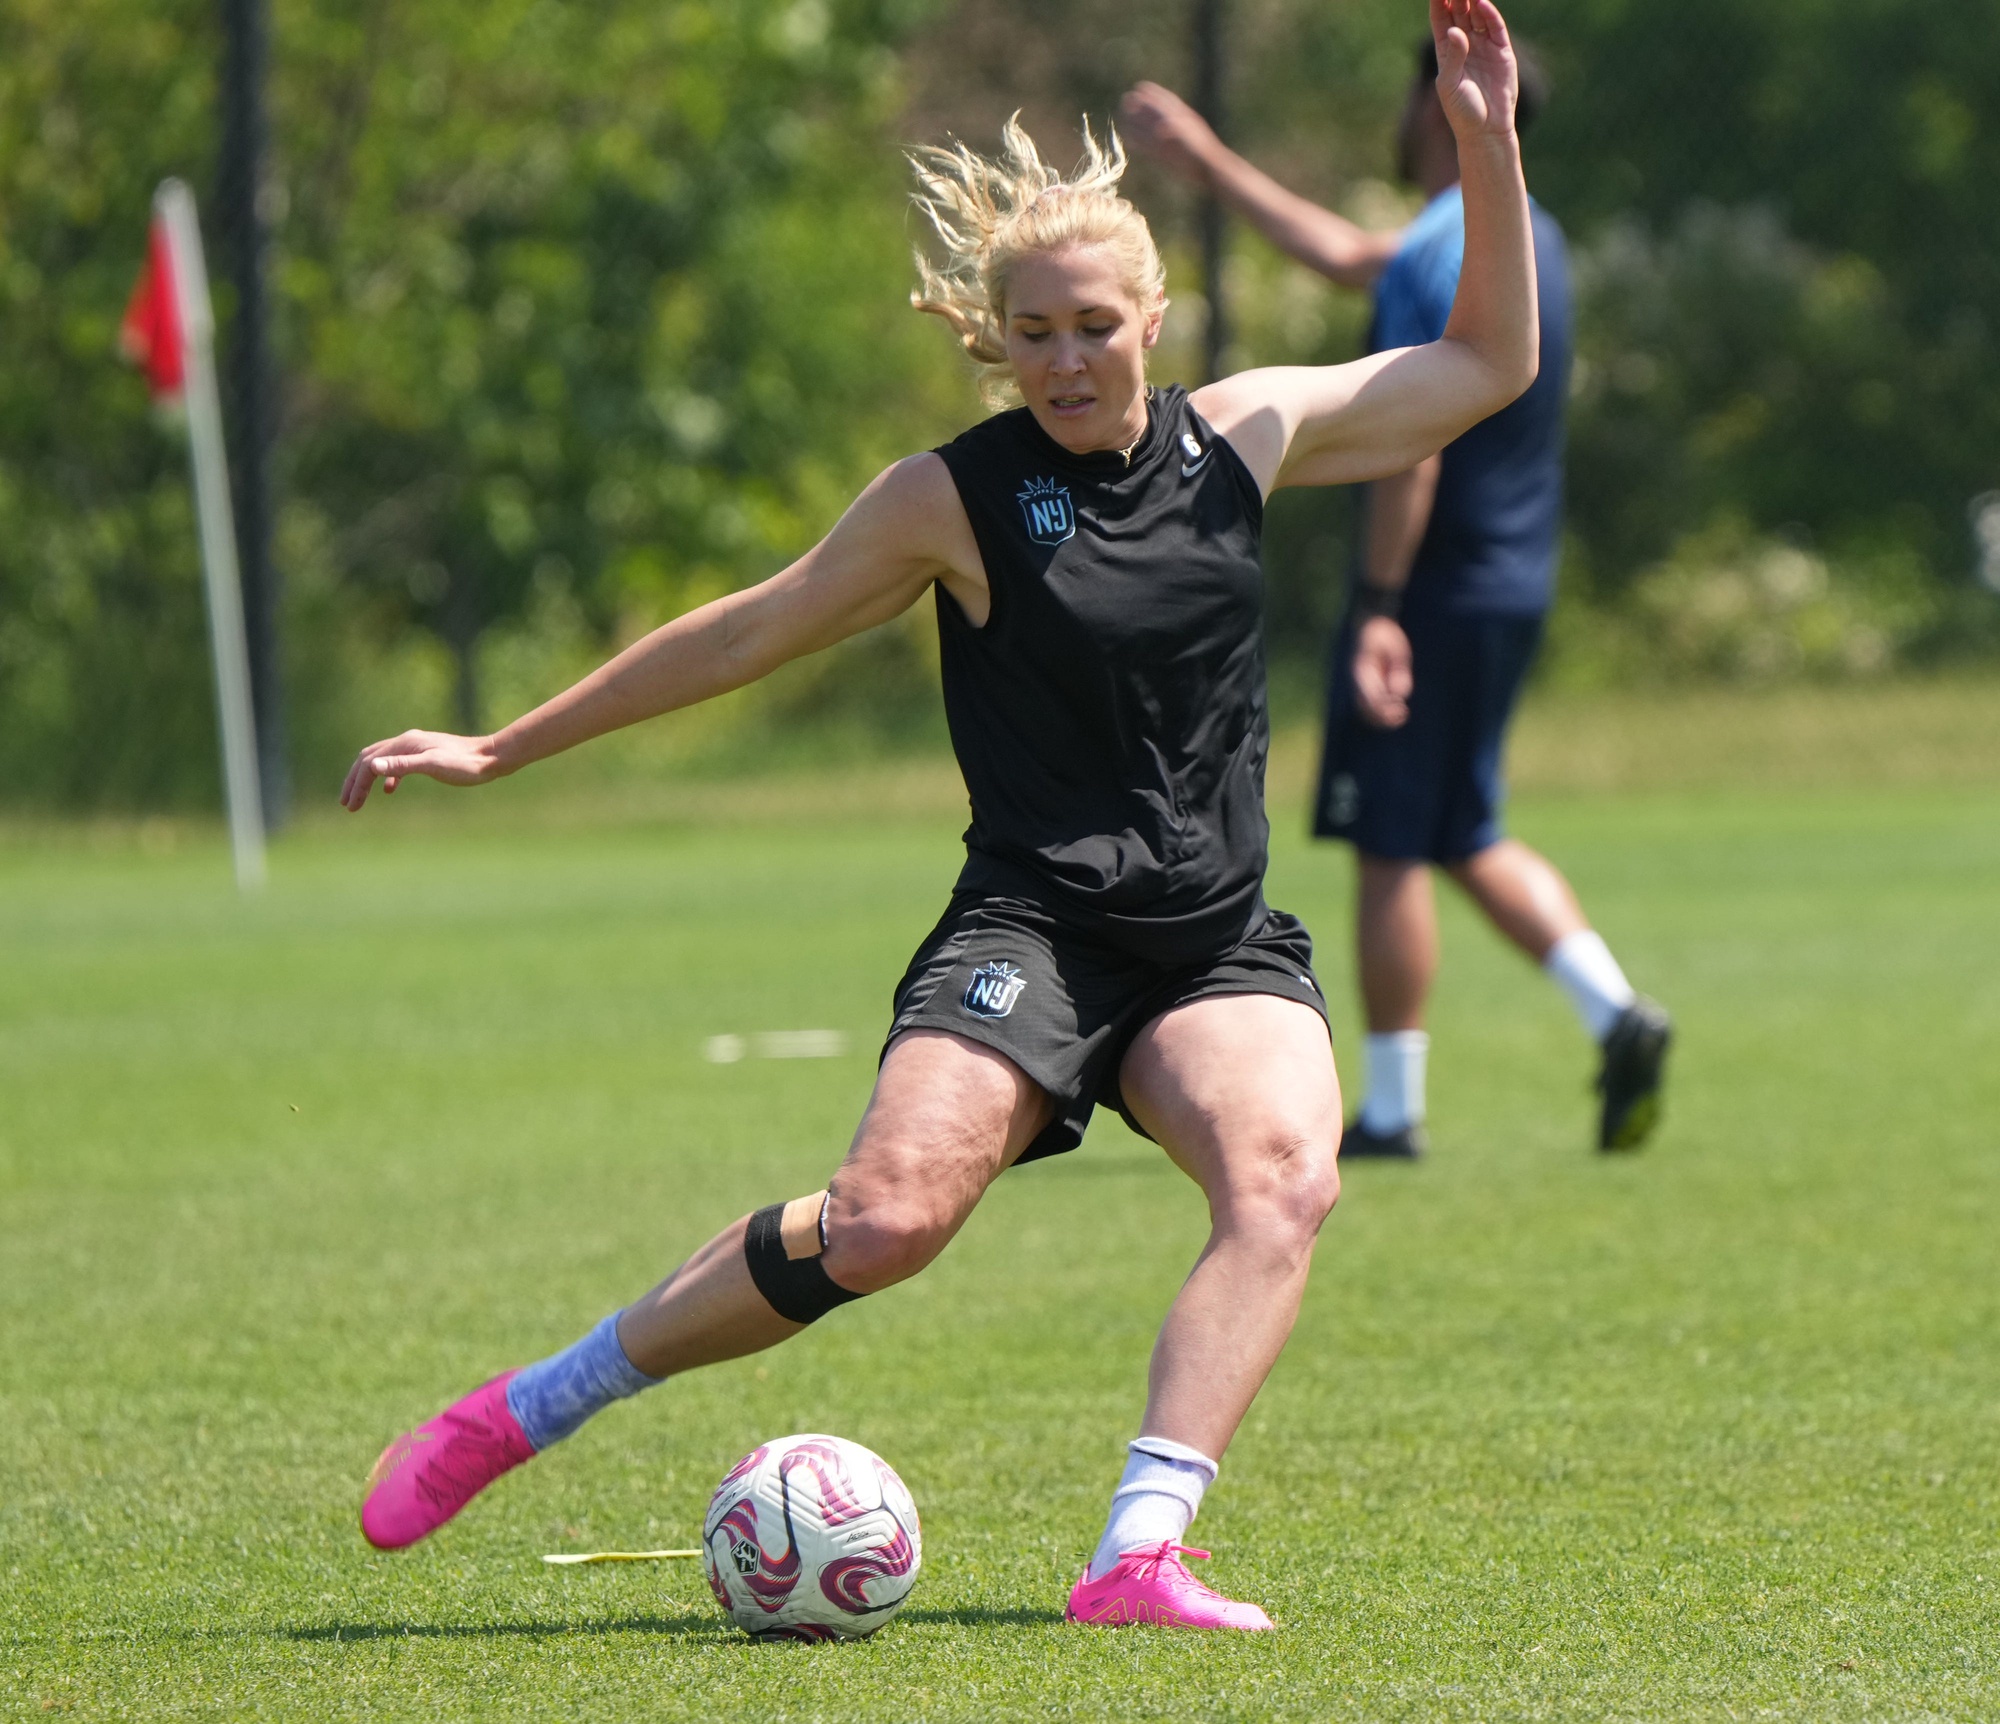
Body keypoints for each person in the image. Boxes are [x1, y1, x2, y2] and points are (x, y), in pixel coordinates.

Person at [341, 0, 1537, 1632]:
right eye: (1030, 329)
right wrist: (506, 744)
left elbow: (1486, 365)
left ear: (1153, 319)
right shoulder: (950, 498)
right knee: (889, 1218)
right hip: (1032, 927)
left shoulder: (1245, 437)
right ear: (996, 332)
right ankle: (527, 1405)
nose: (1060, 358)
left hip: (1206, 944)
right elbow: (746, 626)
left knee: (1285, 1180)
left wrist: (1488, 146)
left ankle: (1136, 1554)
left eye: (1092, 327)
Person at [1124, 38, 1671, 1160]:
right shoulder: (1521, 239)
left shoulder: (1438, 255)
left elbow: (1410, 448)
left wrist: (1376, 601)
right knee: (1464, 824)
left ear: (1437, 102)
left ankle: (1390, 1108)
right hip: (1513, 580)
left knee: (1387, 842)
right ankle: (1614, 1011)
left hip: (1428, 588)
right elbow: (1341, 253)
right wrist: (1210, 160)